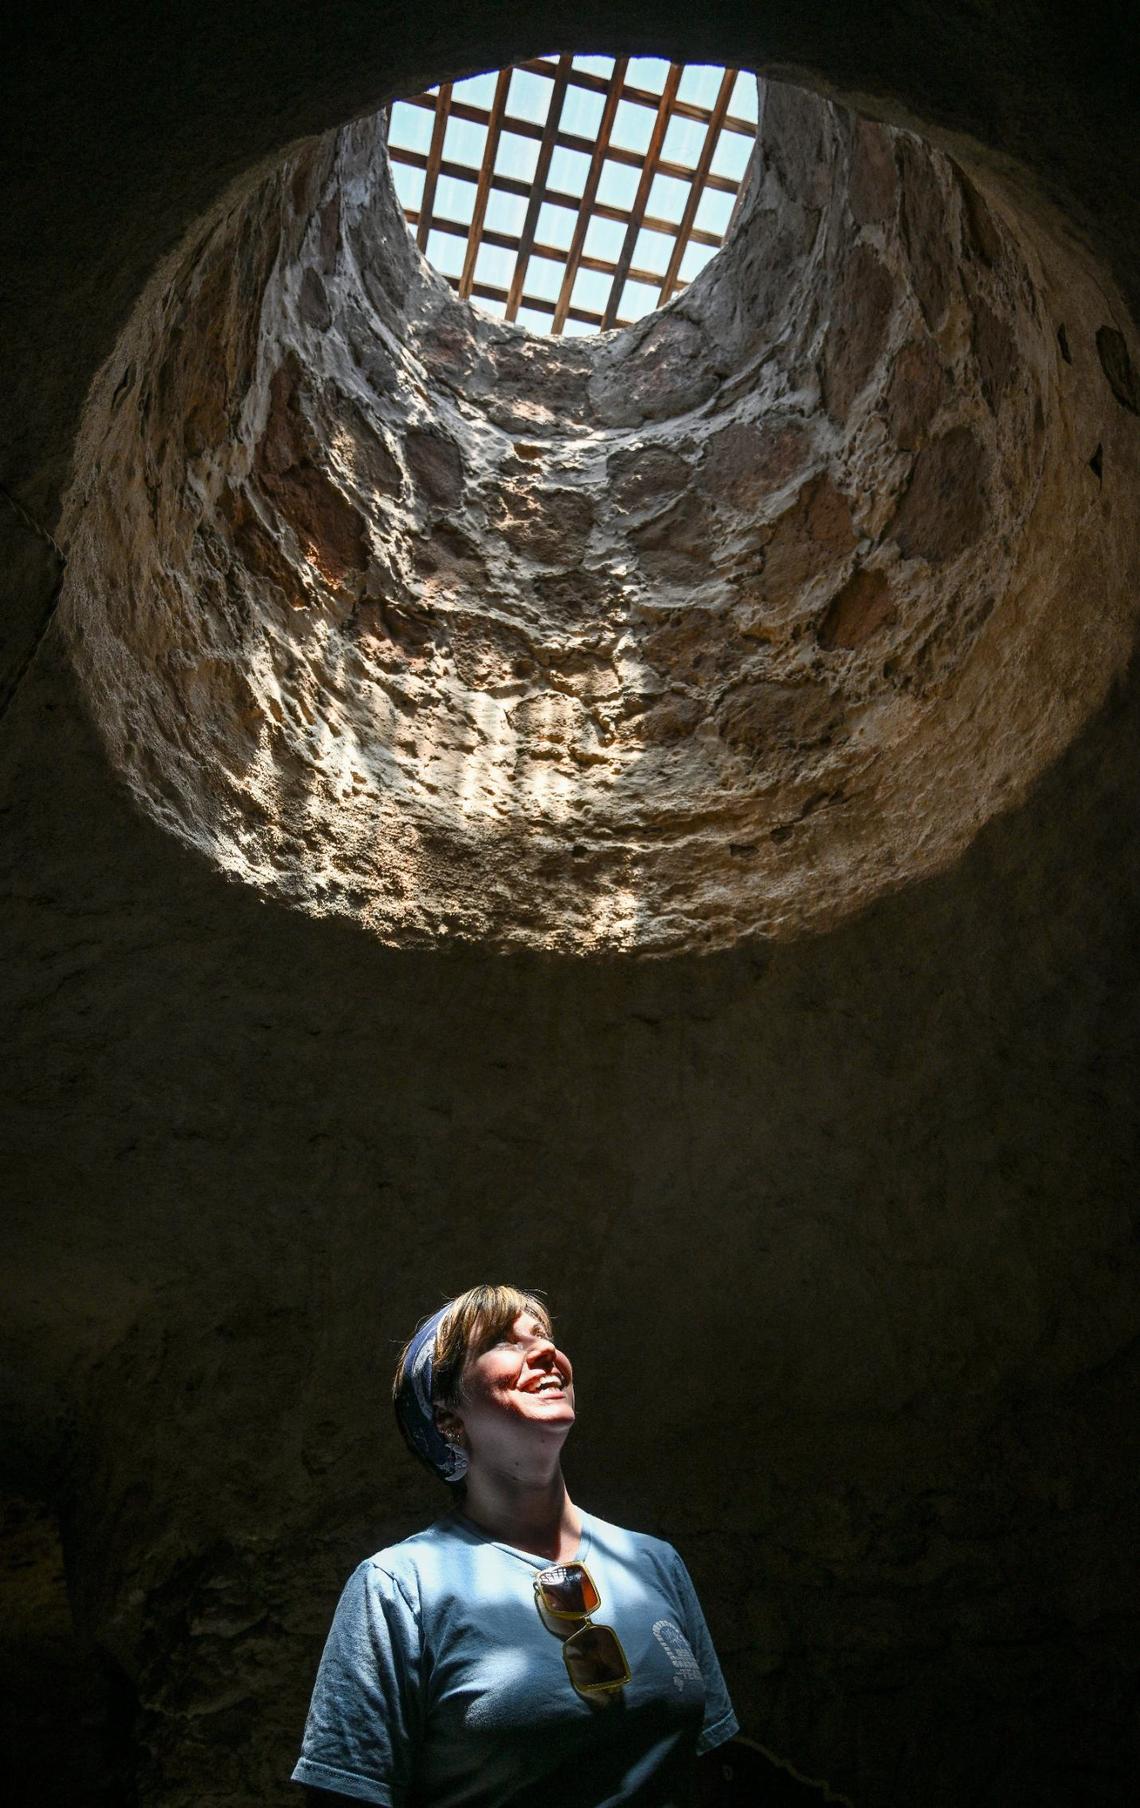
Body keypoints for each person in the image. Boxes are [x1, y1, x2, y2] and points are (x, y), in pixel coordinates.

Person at [292, 1283, 738, 1806]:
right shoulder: (399, 1588)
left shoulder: (655, 1563)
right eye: (504, 1342)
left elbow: (712, 1768)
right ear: (447, 1417)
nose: (547, 1351)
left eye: (544, 1336)